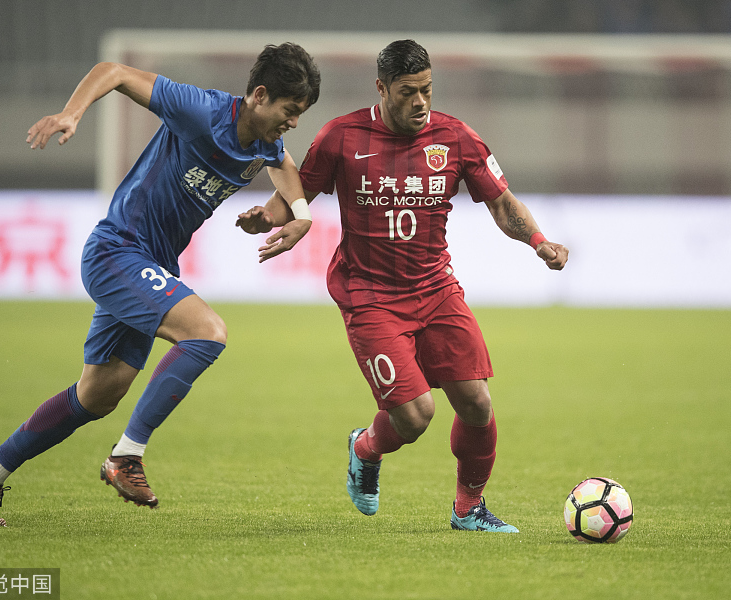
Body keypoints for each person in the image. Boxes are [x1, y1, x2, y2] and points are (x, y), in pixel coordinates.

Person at [0, 43, 321, 526]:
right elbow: (114, 71)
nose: (293, 122)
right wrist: (71, 114)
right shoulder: (202, 109)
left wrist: (297, 216)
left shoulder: (263, 141)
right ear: (258, 95)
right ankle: (126, 456)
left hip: (152, 266)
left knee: (98, 395)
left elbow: (285, 166)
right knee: (206, 332)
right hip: (118, 251)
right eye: (290, 111)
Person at [236, 39, 568, 532]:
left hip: (436, 290)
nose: (421, 102)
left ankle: (468, 509)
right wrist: (268, 216)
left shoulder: (455, 138)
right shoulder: (341, 137)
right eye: (408, 91)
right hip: (369, 295)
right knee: (415, 417)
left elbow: (501, 203)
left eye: (427, 90)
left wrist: (539, 241)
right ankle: (365, 448)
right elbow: (298, 190)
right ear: (382, 88)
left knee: (476, 403)